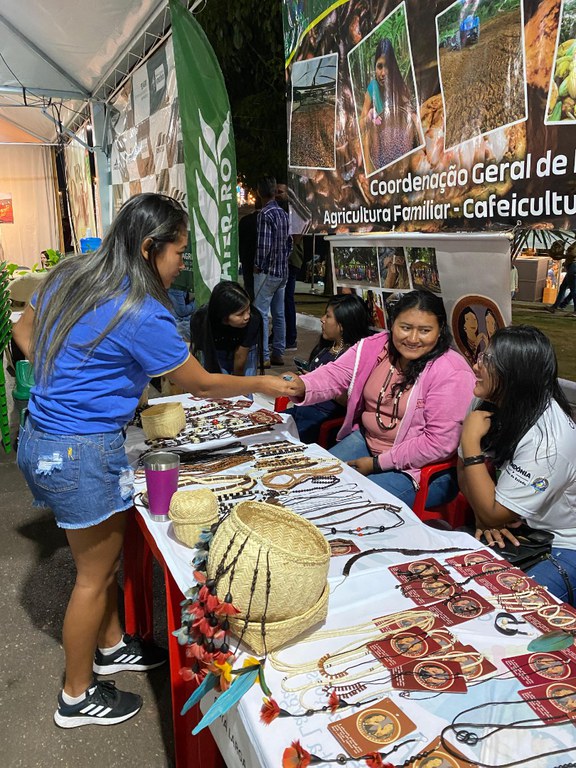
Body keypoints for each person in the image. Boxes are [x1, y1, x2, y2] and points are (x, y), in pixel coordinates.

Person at [11, 193, 294, 729]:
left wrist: (67, 383)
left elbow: (25, 333)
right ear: (149, 248)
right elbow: (201, 383)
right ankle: (76, 695)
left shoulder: (73, 271)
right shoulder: (139, 310)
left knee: (105, 559)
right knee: (92, 576)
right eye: (179, 253)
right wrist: (263, 381)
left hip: (44, 438)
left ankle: (112, 643)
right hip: (81, 449)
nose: (182, 264)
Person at [289, 289, 475, 507]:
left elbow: (439, 443)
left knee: (346, 504)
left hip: (421, 470)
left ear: (440, 330)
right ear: (392, 323)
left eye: (425, 330)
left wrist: (377, 464)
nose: (413, 338)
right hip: (367, 441)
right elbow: (336, 373)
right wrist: (302, 385)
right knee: (308, 484)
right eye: (405, 328)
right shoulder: (376, 347)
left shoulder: (452, 371)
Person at [457, 325, 576, 606]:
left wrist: (470, 441)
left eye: (488, 361)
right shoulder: (488, 398)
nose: (476, 365)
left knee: (509, 608)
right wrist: (484, 513)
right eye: (481, 356)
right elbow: (466, 479)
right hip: (518, 526)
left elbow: (493, 514)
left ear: (514, 375)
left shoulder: (550, 441)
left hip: (562, 543)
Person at [290, 293, 372, 444]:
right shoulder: (326, 347)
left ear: (342, 325)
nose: (322, 319)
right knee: (266, 425)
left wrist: (323, 386)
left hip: (321, 418)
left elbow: (353, 402)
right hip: (302, 409)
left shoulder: (353, 358)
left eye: (328, 316)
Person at [359, 37, 419, 174]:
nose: (383, 73)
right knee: (368, 134)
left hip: (402, 147)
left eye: (387, 67)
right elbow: (361, 125)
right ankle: (371, 178)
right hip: (380, 149)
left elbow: (412, 117)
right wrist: (368, 117)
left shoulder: (399, 86)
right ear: (375, 67)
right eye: (379, 66)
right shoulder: (372, 88)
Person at [253, 175, 291, 366]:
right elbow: (289, 243)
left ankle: (264, 356)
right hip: (282, 271)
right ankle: (278, 352)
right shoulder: (284, 215)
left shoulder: (264, 215)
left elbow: (264, 246)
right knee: (279, 314)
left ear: (259, 192)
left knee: (260, 313)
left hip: (267, 272)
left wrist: (258, 265)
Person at [190, 280, 263, 376]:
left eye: (248, 308)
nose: (247, 316)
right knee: (216, 387)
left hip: (245, 353)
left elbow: (240, 359)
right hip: (215, 351)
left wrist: (241, 387)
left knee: (246, 385)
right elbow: (201, 357)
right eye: (240, 314)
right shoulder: (201, 320)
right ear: (224, 316)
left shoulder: (253, 318)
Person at [238, 201, 261, 301]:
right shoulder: (264, 220)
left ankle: (250, 305)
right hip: (259, 260)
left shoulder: (244, 220)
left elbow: (241, 240)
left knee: (249, 286)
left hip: (246, 258)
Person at [548, 243, 576, 313]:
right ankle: (558, 305)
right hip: (571, 267)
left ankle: (559, 306)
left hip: (573, 266)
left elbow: (573, 254)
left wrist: (562, 256)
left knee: (573, 289)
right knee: (564, 287)